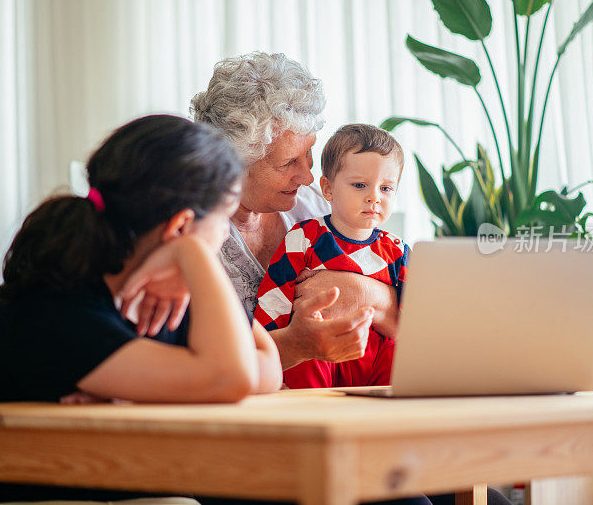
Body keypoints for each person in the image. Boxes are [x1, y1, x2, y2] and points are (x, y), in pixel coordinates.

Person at [186, 52, 513, 505]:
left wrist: (370, 295)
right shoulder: (192, 240)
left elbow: (411, 326)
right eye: (289, 163)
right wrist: (299, 344)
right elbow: (202, 371)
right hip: (257, 442)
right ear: (232, 161)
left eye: (309, 156)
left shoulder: (315, 213)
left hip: (354, 422)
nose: (307, 177)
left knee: (489, 500)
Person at [0, 114, 283, 504]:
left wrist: (144, 396)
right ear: (180, 227)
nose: (224, 235)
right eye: (224, 220)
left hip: (102, 483)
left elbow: (266, 369)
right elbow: (233, 378)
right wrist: (192, 255)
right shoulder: (59, 303)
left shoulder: (165, 298)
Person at [254, 124, 408, 388]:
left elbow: (412, 321)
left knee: (401, 351)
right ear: (328, 189)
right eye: (360, 185)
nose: (374, 197)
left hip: (372, 358)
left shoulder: (397, 252)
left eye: (386, 188)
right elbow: (274, 298)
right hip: (319, 348)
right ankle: (310, 410)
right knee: (308, 346)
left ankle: (389, 412)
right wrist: (266, 347)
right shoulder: (305, 238)